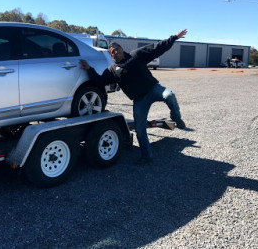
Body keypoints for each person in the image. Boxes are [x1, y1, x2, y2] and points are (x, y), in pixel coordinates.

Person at [79, 29, 188, 165]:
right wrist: (89, 69)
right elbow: (100, 81)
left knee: (169, 95)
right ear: (111, 55)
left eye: (117, 49)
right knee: (140, 128)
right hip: (139, 100)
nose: (116, 52)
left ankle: (176, 117)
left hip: (153, 89)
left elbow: (157, 49)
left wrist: (174, 38)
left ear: (122, 48)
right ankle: (146, 155)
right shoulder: (112, 70)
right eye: (112, 52)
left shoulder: (136, 55)